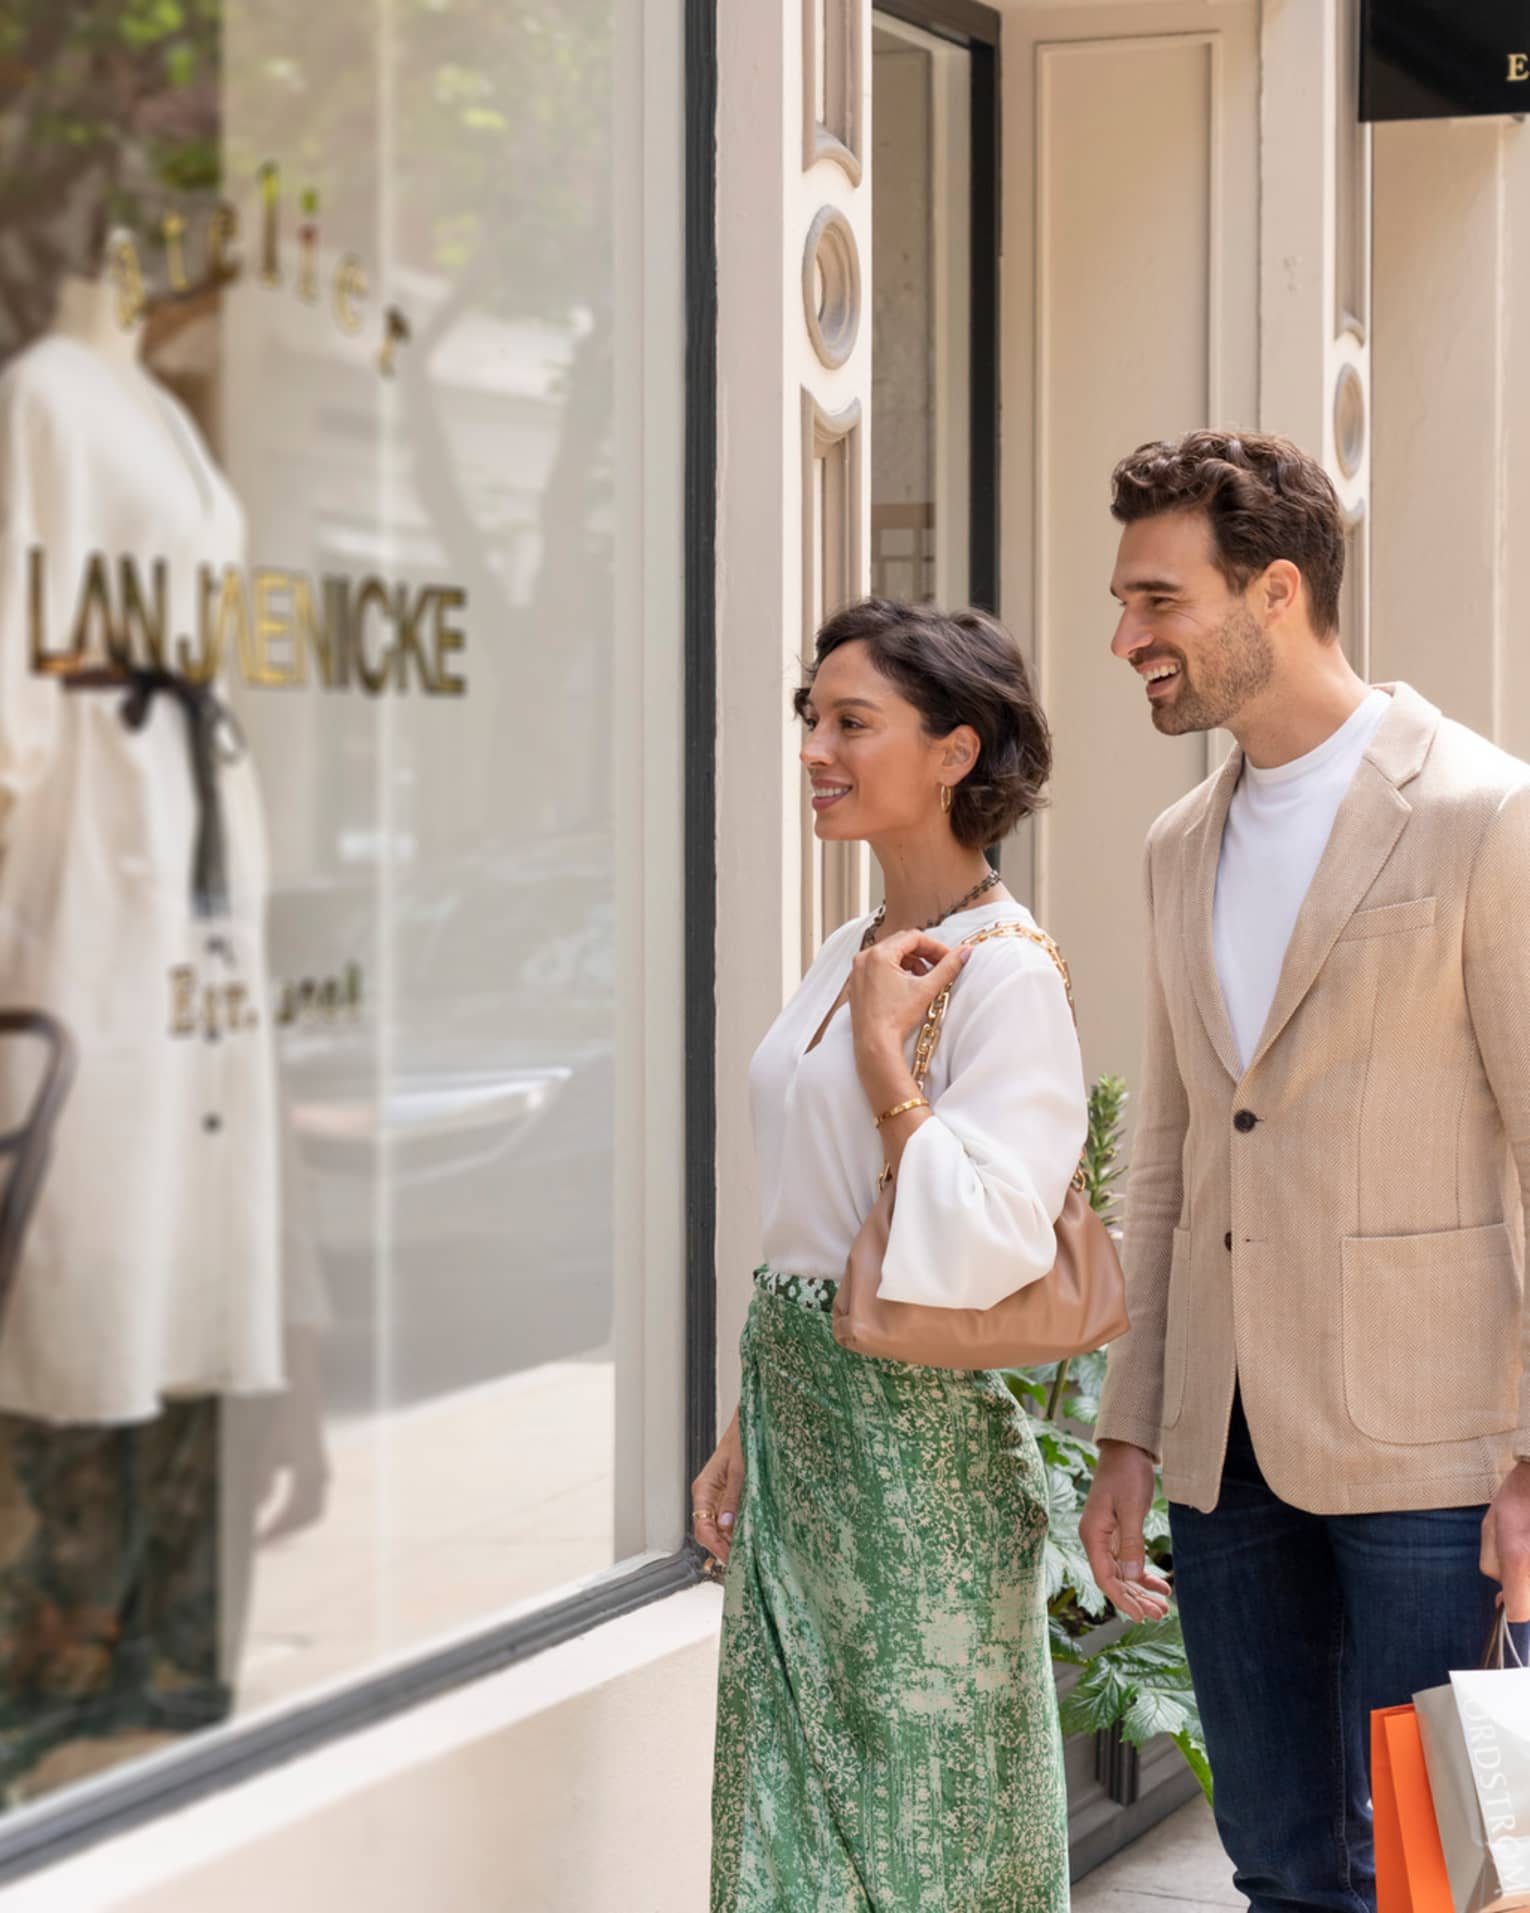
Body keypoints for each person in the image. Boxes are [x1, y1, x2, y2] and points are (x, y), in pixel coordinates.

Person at [1080, 428, 1530, 1913]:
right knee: (1279, 1861)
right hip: (1225, 1451)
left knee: (1442, 1869)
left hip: (1431, 1450)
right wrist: (1130, 1426)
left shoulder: (1481, 809)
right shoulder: (1170, 844)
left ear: (1275, 591)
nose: (1124, 637)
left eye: (1157, 600)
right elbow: (1167, 1157)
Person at [697, 596, 1089, 1911]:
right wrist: (748, 1420)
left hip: (918, 1456)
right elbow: (804, 1224)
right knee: (790, 1809)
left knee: (929, 1824)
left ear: (954, 752)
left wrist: (883, 1062)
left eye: (851, 721)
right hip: (806, 1429)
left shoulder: (1004, 970)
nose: (815, 745)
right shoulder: (843, 949)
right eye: (809, 717)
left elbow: (986, 1238)